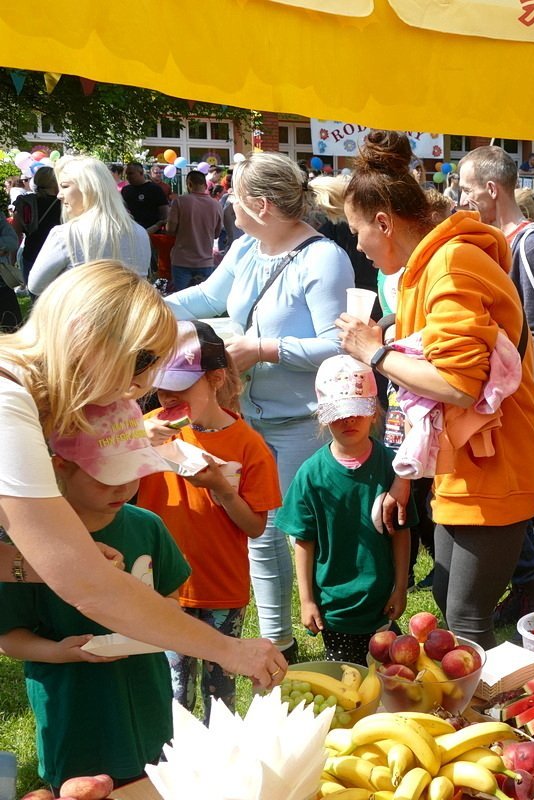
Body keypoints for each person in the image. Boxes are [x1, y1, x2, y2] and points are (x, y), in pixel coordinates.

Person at [0, 262, 286, 689]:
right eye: (144, 359)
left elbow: (55, 560)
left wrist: (35, 563)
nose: (145, 383)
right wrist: (230, 649)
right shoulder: (9, 407)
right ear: (88, 339)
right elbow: (88, 585)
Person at [335, 131, 534, 649]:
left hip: (495, 467)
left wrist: (375, 353)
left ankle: (477, 724)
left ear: (384, 223)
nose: (358, 246)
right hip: (465, 465)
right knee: (451, 594)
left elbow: (459, 384)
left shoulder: (451, 265)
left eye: (357, 230)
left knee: (466, 615)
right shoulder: (428, 269)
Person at [165, 152, 354, 661]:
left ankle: (338, 636)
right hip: (250, 418)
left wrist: (265, 349)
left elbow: (337, 346)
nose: (228, 203)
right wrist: (142, 305)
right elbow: (205, 296)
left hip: (301, 424)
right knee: (261, 532)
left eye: (234, 196)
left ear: (261, 205)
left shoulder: (323, 259)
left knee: (296, 530)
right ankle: (278, 642)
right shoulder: (248, 247)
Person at [0, 399, 191, 792]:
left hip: (148, 706)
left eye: (133, 472)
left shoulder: (147, 527)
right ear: (60, 467)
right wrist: (61, 651)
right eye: (106, 476)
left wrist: (151, 620)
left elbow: (173, 598)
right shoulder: (26, 546)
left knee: (151, 785)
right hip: (76, 716)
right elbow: (9, 638)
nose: (123, 487)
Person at [137, 320, 281, 722]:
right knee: (174, 690)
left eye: (180, 386)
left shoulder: (248, 446)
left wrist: (222, 487)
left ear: (216, 379)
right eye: (161, 385)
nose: (167, 395)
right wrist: (132, 443)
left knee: (220, 693)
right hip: (165, 587)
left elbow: (254, 526)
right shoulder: (143, 431)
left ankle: (221, 763)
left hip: (220, 588)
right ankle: (174, 761)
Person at [457, 144, 534, 621]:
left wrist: (507, 381)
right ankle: (528, 584)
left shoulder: (530, 243)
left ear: (490, 188)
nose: (460, 198)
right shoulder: (494, 241)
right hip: (495, 398)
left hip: (514, 399)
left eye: (465, 189)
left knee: (512, 496)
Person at [277, 356, 411, 665]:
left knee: (393, 681)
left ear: (374, 411)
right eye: (338, 414)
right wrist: (307, 600)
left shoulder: (393, 468)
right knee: (350, 690)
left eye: (356, 411)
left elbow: (401, 532)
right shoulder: (310, 474)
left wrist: (401, 588)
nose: (348, 420)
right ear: (323, 418)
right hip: (335, 610)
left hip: (381, 604)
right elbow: (303, 541)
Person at [28, 156, 152, 294]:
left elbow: (35, 286)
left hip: (78, 313)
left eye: (64, 186)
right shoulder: (140, 233)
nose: (59, 195)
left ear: (88, 188)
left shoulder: (66, 234)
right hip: (129, 314)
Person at [166, 170, 223, 290]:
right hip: (205, 260)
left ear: (189, 184)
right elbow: (217, 234)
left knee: (180, 300)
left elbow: (170, 230)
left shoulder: (180, 202)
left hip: (181, 260)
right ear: (206, 185)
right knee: (203, 302)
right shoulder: (216, 205)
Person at [11, 164, 61, 287]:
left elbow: (16, 232)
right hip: (56, 256)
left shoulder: (25, 203)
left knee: (36, 299)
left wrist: (11, 259)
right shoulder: (63, 204)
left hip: (31, 253)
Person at [122, 162, 171, 278]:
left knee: (152, 268)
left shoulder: (154, 189)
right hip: (131, 236)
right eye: (127, 174)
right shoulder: (125, 191)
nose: (128, 176)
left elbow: (164, 213)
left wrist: (159, 227)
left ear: (141, 173)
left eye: (131, 173)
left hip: (152, 236)